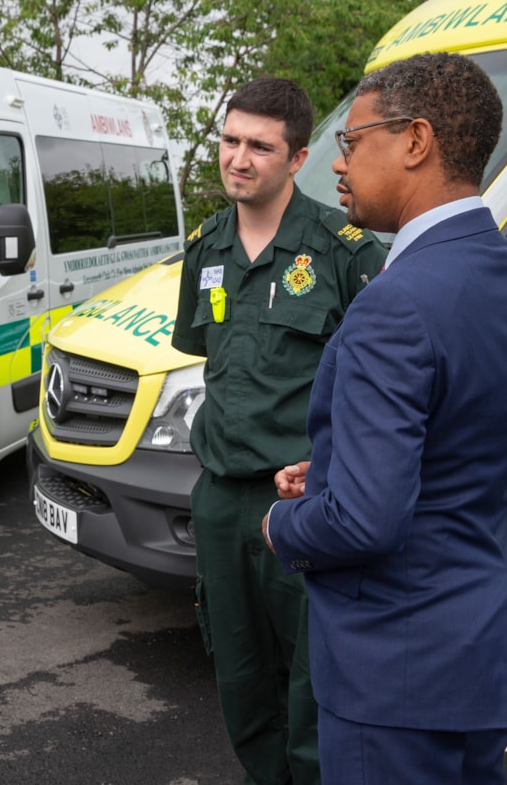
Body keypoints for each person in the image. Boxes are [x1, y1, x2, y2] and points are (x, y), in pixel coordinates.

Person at [263, 52, 507, 785]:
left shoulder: (396, 302)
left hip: (396, 670)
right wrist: (339, 473)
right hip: (482, 650)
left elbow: (367, 523)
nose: (336, 165)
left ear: (416, 141)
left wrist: (277, 524)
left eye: (353, 141)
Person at [170, 77, 386, 785]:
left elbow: (378, 382)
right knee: (239, 677)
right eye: (230, 141)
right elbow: (207, 352)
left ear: (296, 158)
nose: (238, 159)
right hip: (219, 497)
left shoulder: (343, 251)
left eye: (259, 147)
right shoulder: (204, 246)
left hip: (300, 499)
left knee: (316, 682)